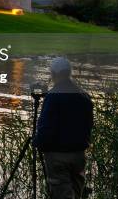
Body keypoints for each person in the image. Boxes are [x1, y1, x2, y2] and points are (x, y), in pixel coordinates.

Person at [34, 57, 93, 199]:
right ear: (69, 73)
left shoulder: (53, 96)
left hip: (58, 156)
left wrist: (38, 143)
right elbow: (89, 125)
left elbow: (46, 127)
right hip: (79, 154)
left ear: (54, 74)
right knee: (76, 193)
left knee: (62, 194)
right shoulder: (84, 96)